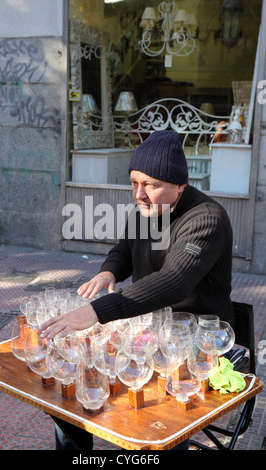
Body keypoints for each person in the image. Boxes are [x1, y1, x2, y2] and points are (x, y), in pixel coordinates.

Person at [40, 130, 235, 450]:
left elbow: (176, 280)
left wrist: (95, 311)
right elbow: (124, 250)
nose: (139, 194)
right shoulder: (148, 211)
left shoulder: (206, 218)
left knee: (159, 422)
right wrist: (109, 270)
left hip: (195, 340)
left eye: (151, 185)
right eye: (135, 183)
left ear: (180, 186)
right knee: (74, 392)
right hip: (147, 330)